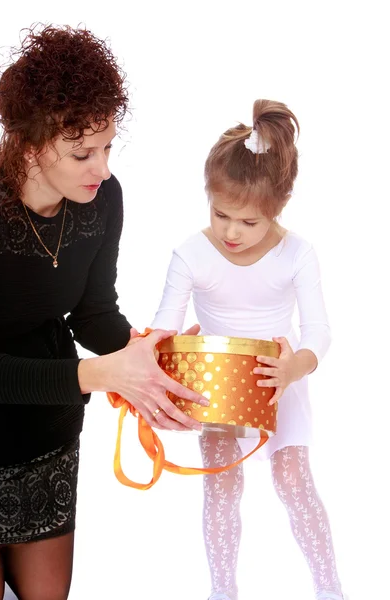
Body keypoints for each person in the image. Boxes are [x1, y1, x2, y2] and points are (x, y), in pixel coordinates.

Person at [0, 24, 208, 600]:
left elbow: (92, 315)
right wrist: (105, 374)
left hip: (47, 436)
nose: (103, 168)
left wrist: (153, 360)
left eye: (108, 147)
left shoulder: (101, 200)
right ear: (30, 145)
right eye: (83, 152)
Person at [151, 100, 345, 600]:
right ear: (207, 198)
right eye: (221, 215)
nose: (231, 232)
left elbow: (319, 329)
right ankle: (223, 592)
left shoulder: (297, 254)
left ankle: (330, 589)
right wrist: (162, 353)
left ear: (276, 209)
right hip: (215, 386)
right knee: (220, 488)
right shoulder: (190, 254)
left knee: (294, 483)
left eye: (248, 223)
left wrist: (294, 368)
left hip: (279, 377)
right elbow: (162, 330)